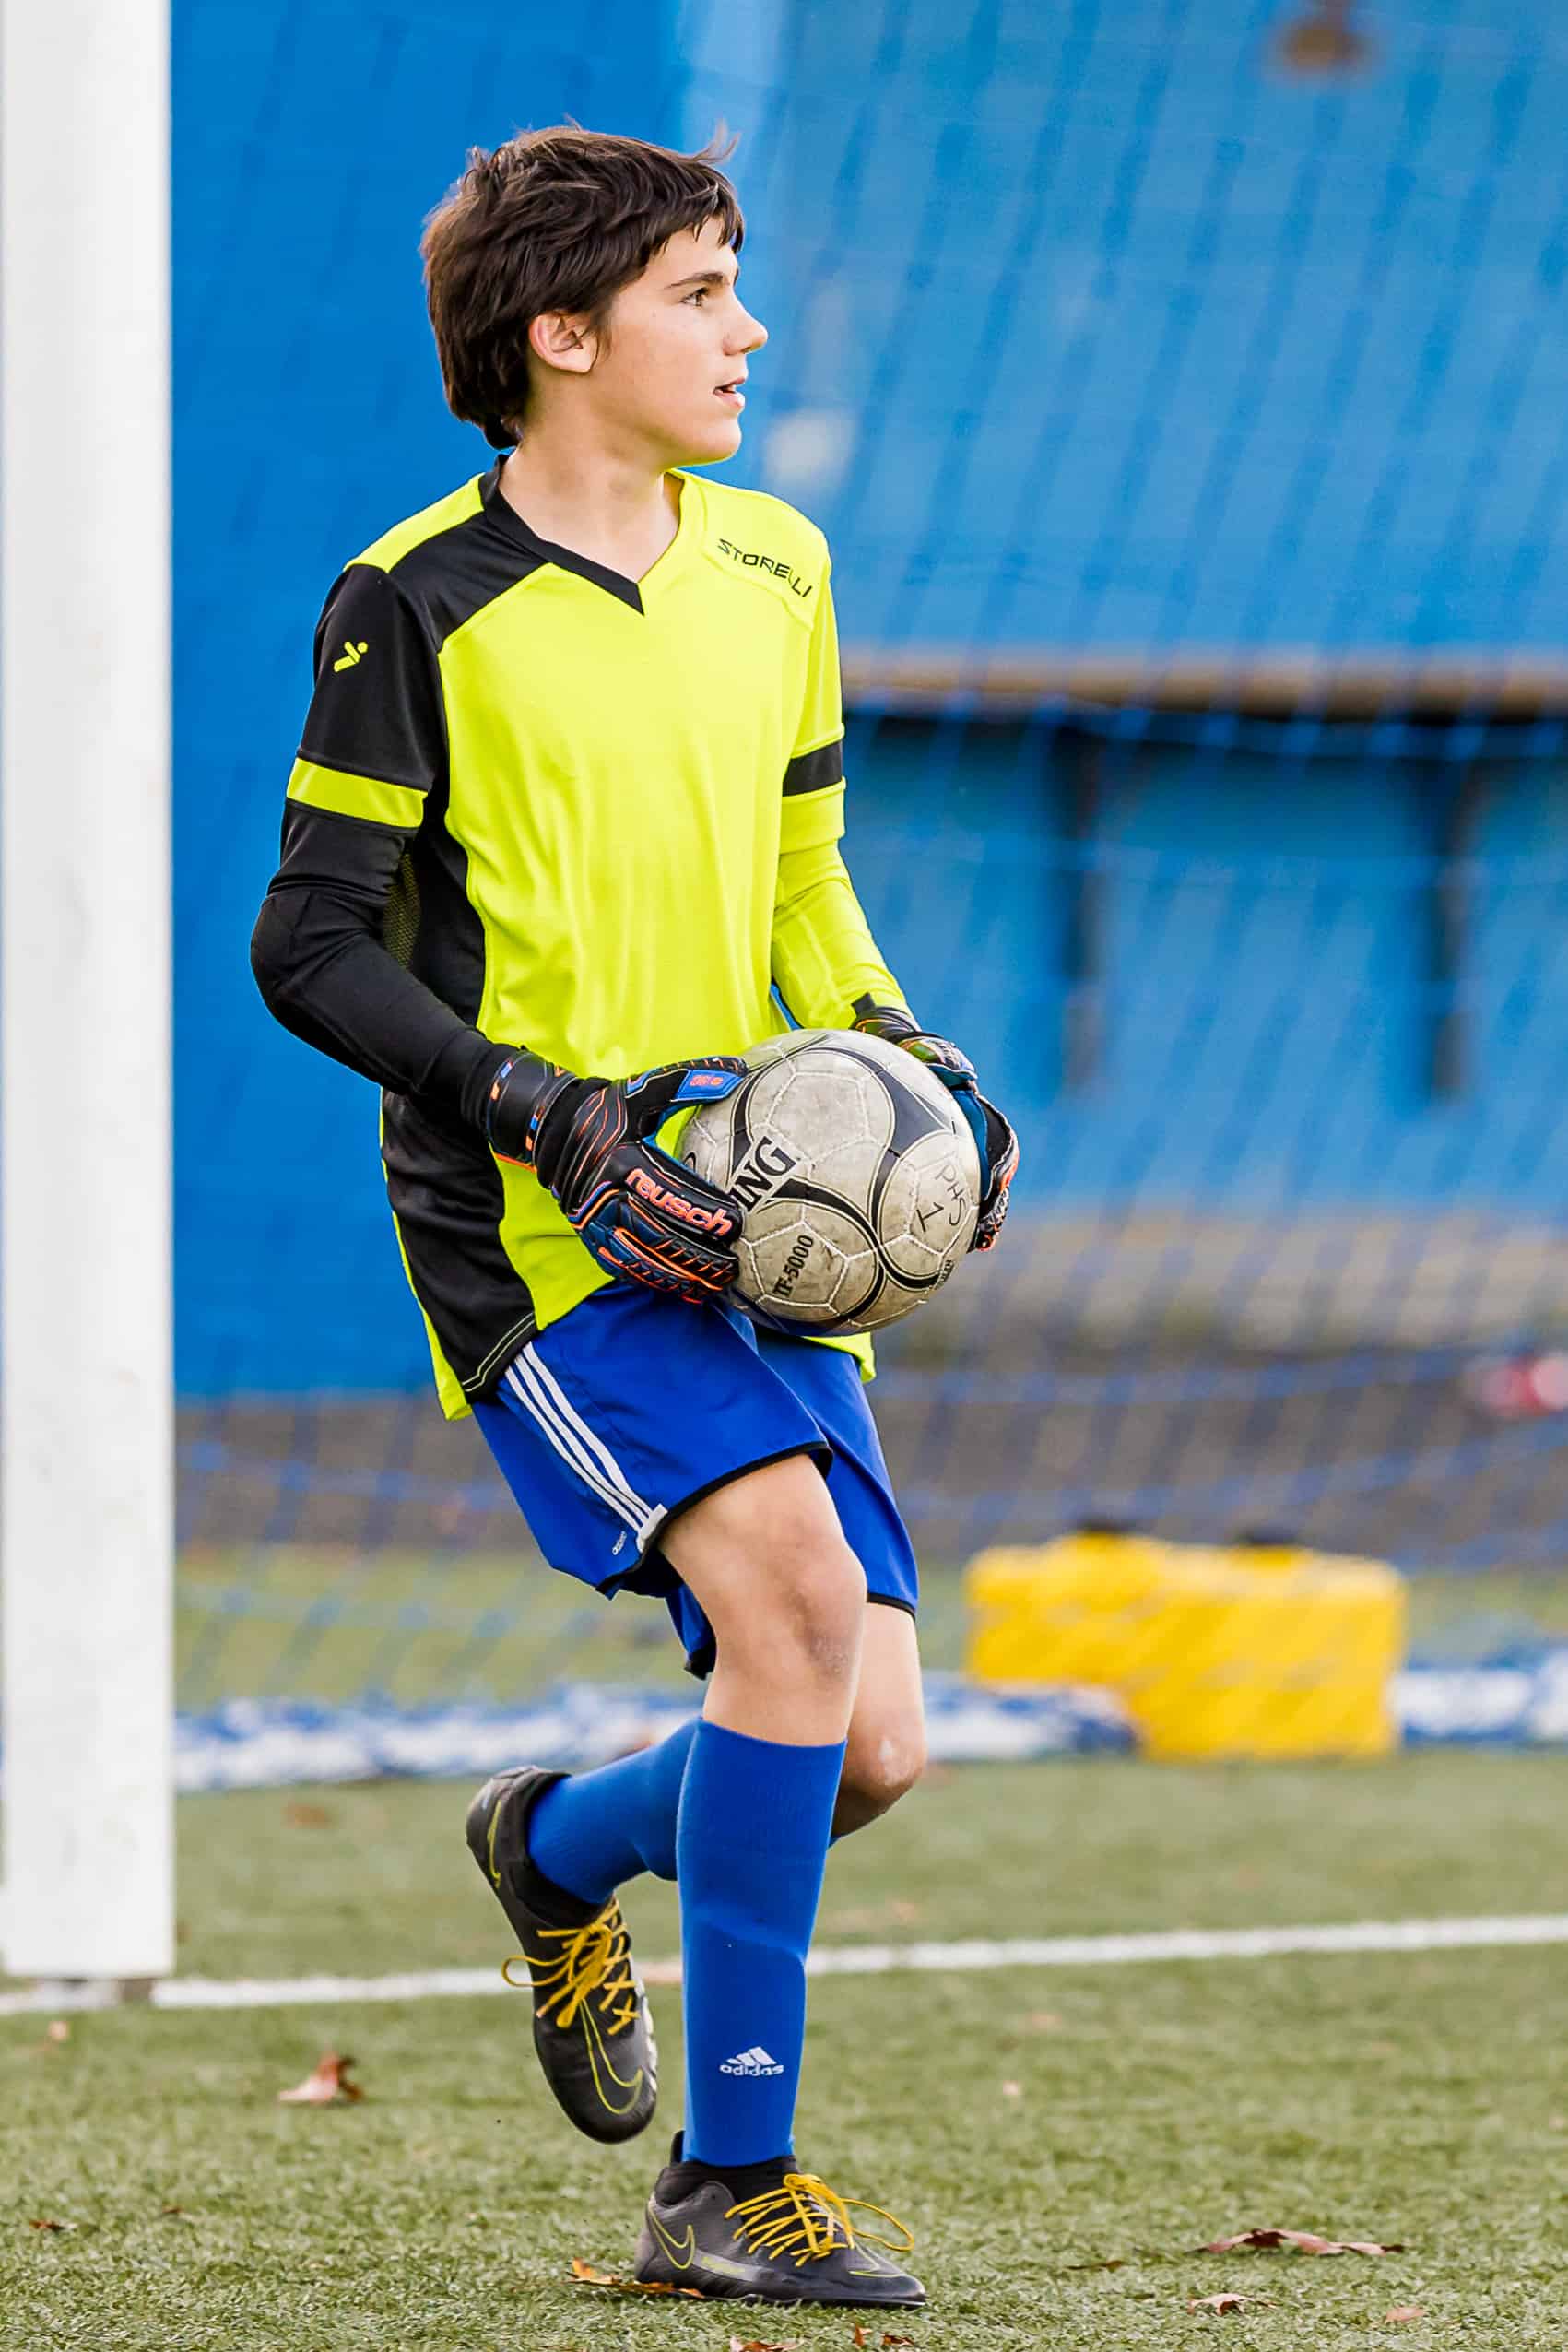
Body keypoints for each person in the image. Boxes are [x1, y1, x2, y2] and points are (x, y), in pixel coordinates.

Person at [251, 124, 1016, 2311]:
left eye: (733, 284)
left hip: (762, 1215)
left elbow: (800, 885)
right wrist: (550, 1116)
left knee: (867, 1746)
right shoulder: (409, 599)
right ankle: (726, 2186)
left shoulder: (776, 562)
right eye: (698, 292)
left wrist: (904, 1060)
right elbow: (310, 944)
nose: (746, 330)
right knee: (791, 1609)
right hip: (547, 1231)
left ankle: (555, 1841)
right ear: (559, 334)